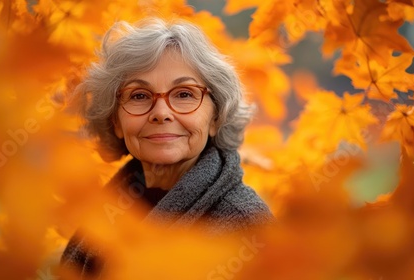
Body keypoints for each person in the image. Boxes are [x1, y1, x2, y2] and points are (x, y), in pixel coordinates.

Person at [61, 17, 274, 278]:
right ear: (115, 121)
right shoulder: (107, 212)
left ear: (215, 118)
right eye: (139, 96)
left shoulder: (244, 225)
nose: (161, 113)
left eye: (184, 94)